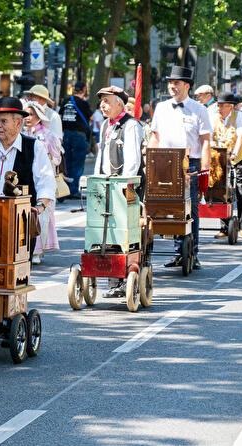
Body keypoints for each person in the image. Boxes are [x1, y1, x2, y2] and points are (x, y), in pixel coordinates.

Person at [0, 96, 56, 261]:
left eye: (3, 121)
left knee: (17, 268)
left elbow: (46, 181)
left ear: (18, 123)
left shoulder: (34, 147)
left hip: (20, 224)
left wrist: (39, 207)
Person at [147, 66, 211, 270]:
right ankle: (177, 252)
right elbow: (155, 136)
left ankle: (192, 252)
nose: (172, 86)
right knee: (165, 207)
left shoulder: (199, 109)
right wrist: (149, 161)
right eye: (170, 83)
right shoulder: (161, 107)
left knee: (190, 209)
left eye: (176, 83)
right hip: (164, 162)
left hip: (189, 163)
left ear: (187, 85)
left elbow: (206, 140)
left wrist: (205, 169)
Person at [92, 86, 144, 296]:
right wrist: (95, 179)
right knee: (107, 231)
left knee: (125, 232)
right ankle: (113, 280)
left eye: (107, 101)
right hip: (106, 185)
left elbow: (133, 160)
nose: (102, 105)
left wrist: (124, 185)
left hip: (124, 187)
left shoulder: (131, 125)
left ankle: (127, 277)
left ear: (119, 104)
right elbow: (101, 156)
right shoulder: (106, 124)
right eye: (101, 101)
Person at [23, 100, 62, 264]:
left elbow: (58, 158)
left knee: (42, 214)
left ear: (39, 116)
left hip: (44, 178)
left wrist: (47, 159)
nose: (27, 117)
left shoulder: (48, 135)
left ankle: (37, 252)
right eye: (25, 114)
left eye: (31, 114)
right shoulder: (21, 134)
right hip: (26, 178)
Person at [209, 92, 242, 240]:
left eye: (222, 106)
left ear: (230, 107)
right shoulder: (214, 117)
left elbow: (240, 137)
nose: (219, 108)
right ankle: (225, 226)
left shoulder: (238, 116)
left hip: (238, 155)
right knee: (220, 188)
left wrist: (233, 154)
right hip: (220, 155)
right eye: (218, 105)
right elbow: (210, 136)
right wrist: (213, 146)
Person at [60, 81, 94, 198]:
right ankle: (73, 190)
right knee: (78, 164)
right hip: (79, 135)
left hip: (66, 134)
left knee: (67, 163)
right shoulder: (83, 103)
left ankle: (65, 189)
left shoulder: (65, 101)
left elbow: (60, 115)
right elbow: (91, 118)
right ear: (84, 89)